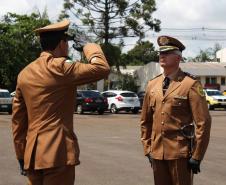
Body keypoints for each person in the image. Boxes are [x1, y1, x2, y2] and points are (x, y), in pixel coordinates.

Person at [12, 20, 110, 185]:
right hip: (57, 153)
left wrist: (21, 155)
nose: (68, 47)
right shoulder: (61, 67)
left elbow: (18, 122)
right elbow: (101, 68)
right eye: (67, 42)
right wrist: (88, 46)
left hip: (32, 155)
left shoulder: (24, 73)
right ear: (61, 44)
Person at [140, 35, 211, 185]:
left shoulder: (190, 84)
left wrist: (197, 156)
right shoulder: (152, 84)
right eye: (161, 53)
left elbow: (203, 122)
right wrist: (148, 149)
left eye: (167, 53)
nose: (162, 56)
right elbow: (145, 121)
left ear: (178, 58)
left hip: (180, 154)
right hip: (157, 152)